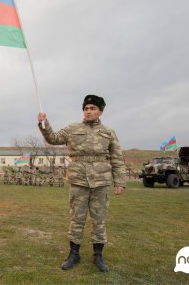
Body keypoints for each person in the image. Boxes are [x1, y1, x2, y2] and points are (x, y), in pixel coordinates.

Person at [37, 95, 126, 272]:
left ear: (100, 111)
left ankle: (98, 256)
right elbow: (53, 138)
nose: (88, 111)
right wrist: (44, 124)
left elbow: (117, 158)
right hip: (78, 180)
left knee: (99, 220)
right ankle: (74, 254)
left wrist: (120, 181)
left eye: (93, 108)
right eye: (86, 108)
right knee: (76, 219)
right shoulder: (72, 129)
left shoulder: (108, 132)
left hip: (101, 182)